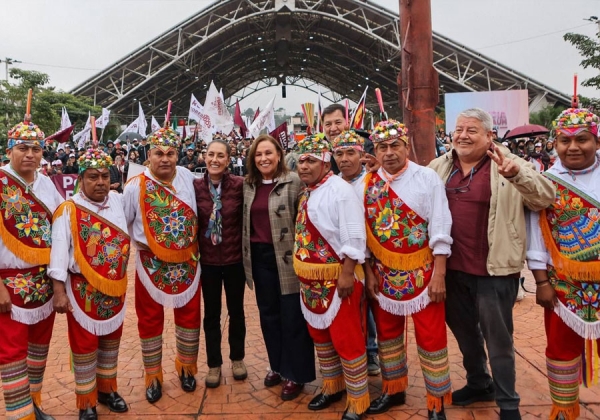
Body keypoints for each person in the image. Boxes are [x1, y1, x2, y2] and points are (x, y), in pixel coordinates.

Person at [428, 108, 555, 420]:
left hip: (495, 269)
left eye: (472, 130)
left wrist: (515, 174)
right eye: (459, 129)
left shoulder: (510, 163)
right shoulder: (437, 167)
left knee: (498, 340)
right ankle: (479, 383)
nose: (463, 135)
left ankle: (509, 404)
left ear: (489, 136)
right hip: (452, 270)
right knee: (465, 334)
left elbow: (544, 198)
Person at [360, 121, 452, 420]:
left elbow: (440, 225)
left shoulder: (427, 178)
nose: (388, 153)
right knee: (387, 336)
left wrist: (439, 273)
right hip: (382, 273)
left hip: (424, 271)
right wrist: (369, 272)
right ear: (375, 150)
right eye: (382, 148)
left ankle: (436, 401)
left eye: (394, 146)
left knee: (431, 337)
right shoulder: (367, 183)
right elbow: (363, 232)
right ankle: (393, 388)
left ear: (406, 146)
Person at [526, 108, 600, 420]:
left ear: (596, 142)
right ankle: (564, 410)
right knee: (560, 349)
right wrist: (541, 283)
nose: (572, 147)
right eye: (564, 140)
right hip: (562, 285)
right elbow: (536, 238)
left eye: (581, 139)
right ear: (554, 144)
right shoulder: (545, 183)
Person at [49, 149, 130, 420]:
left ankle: (108, 390)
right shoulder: (68, 209)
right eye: (93, 177)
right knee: (84, 347)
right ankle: (87, 402)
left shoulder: (118, 202)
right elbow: (59, 252)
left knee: (111, 342)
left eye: (105, 176)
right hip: (82, 291)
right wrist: (58, 291)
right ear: (81, 179)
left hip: (115, 288)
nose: (100, 183)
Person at [123, 123, 201, 404]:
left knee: (190, 318)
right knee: (150, 319)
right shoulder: (135, 187)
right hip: (150, 265)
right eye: (159, 153)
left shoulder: (189, 178)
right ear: (149, 154)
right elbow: (124, 225)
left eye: (170, 153)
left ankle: (187, 368)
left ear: (178, 154)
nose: (165, 158)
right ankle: (153, 375)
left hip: (188, 262)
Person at [294, 134, 369, 420]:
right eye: (301, 160)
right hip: (311, 283)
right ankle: (333, 385)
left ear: (326, 164)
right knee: (320, 336)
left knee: (346, 338)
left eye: (311, 160)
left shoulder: (340, 190)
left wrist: (348, 273)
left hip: (339, 279)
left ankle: (358, 398)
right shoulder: (309, 191)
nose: (304, 166)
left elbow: (354, 235)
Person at [242, 134, 316, 401]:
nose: (264, 159)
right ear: (253, 159)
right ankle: (277, 364)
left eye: (269, 153)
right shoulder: (248, 185)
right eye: (259, 154)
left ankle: (295, 373)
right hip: (260, 259)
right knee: (269, 316)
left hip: (287, 259)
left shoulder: (293, 182)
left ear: (279, 155)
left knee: (293, 317)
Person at [0, 113, 63, 420]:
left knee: (38, 348)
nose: (29, 154)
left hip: (43, 282)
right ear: (9, 149)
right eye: (22, 147)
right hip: (8, 284)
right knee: (12, 353)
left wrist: (58, 280)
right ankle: (19, 414)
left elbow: (60, 229)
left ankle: (33, 406)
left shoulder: (48, 183)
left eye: (36, 149)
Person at [194, 138, 247, 389]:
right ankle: (214, 364)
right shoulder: (194, 187)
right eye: (210, 154)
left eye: (220, 156)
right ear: (204, 157)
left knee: (237, 312)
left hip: (234, 259)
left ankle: (238, 358)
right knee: (211, 314)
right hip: (208, 262)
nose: (214, 159)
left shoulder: (240, 186)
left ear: (228, 160)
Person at [330, 130, 380, 377]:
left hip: (377, 258)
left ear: (362, 154)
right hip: (347, 260)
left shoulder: (373, 180)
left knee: (374, 310)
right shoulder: (331, 184)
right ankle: (351, 358)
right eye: (339, 153)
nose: (345, 159)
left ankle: (372, 351)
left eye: (351, 152)